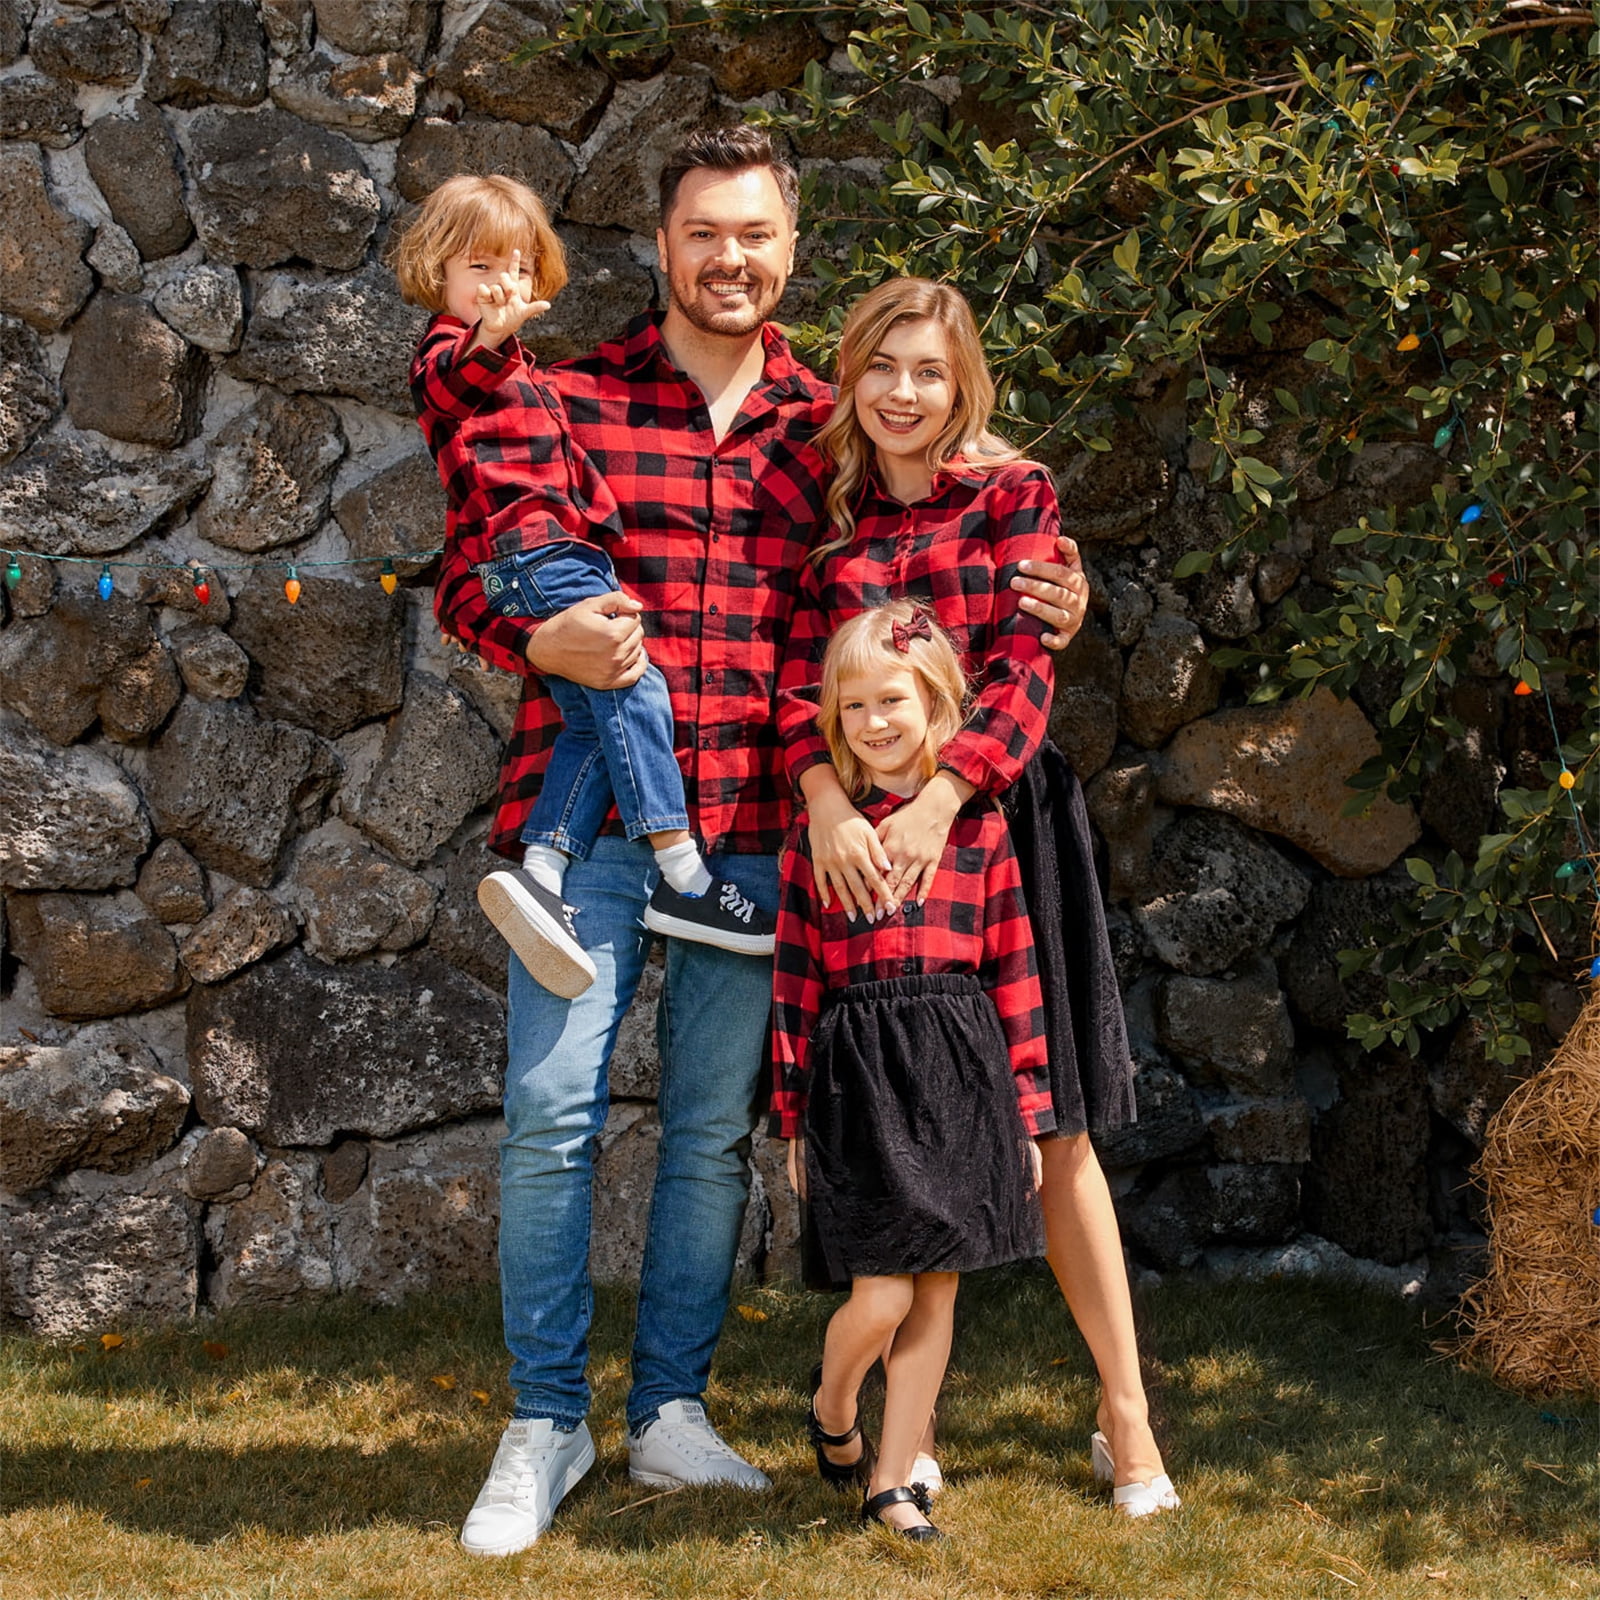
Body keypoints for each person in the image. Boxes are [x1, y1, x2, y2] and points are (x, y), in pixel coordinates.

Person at [431, 129, 1089, 1558]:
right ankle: (545, 1421)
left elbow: (944, 545)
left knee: (710, 1143)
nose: (731, 258)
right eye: (704, 233)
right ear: (662, 247)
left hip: (763, 833)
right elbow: (466, 570)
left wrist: (1056, 590)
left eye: (757, 235)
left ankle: (670, 1414)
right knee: (551, 1118)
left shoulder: (833, 428)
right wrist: (529, 632)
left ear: (793, 251)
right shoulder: (572, 392)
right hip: (593, 818)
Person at [777, 276, 1181, 1518]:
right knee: (905, 1117)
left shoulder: (1014, 497)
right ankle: (910, 1434)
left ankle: (1126, 1413)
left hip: (995, 824)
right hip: (857, 842)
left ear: (966, 388)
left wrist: (942, 799)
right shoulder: (825, 526)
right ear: (849, 376)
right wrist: (826, 800)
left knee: (1051, 1123)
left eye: (931, 372)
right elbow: (795, 681)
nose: (905, 393)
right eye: (882, 367)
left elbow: (1016, 670)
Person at [393, 174, 775, 1004]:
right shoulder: (463, 359)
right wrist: (532, 640)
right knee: (637, 684)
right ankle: (680, 866)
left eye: (519, 266)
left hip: (752, 816)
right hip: (534, 556)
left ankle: (541, 867)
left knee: (596, 720)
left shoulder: (815, 420)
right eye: (479, 264)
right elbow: (444, 390)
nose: (502, 282)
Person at [773, 603, 1049, 1540]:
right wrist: (791, 1122)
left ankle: (892, 1480)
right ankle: (834, 1404)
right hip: (856, 1075)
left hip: (959, 1070)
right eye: (851, 707)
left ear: (938, 708)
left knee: (939, 1283)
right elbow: (794, 990)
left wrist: (1025, 1111)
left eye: (892, 699)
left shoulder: (978, 834)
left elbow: (1014, 973)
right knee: (881, 1290)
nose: (874, 722)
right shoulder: (818, 843)